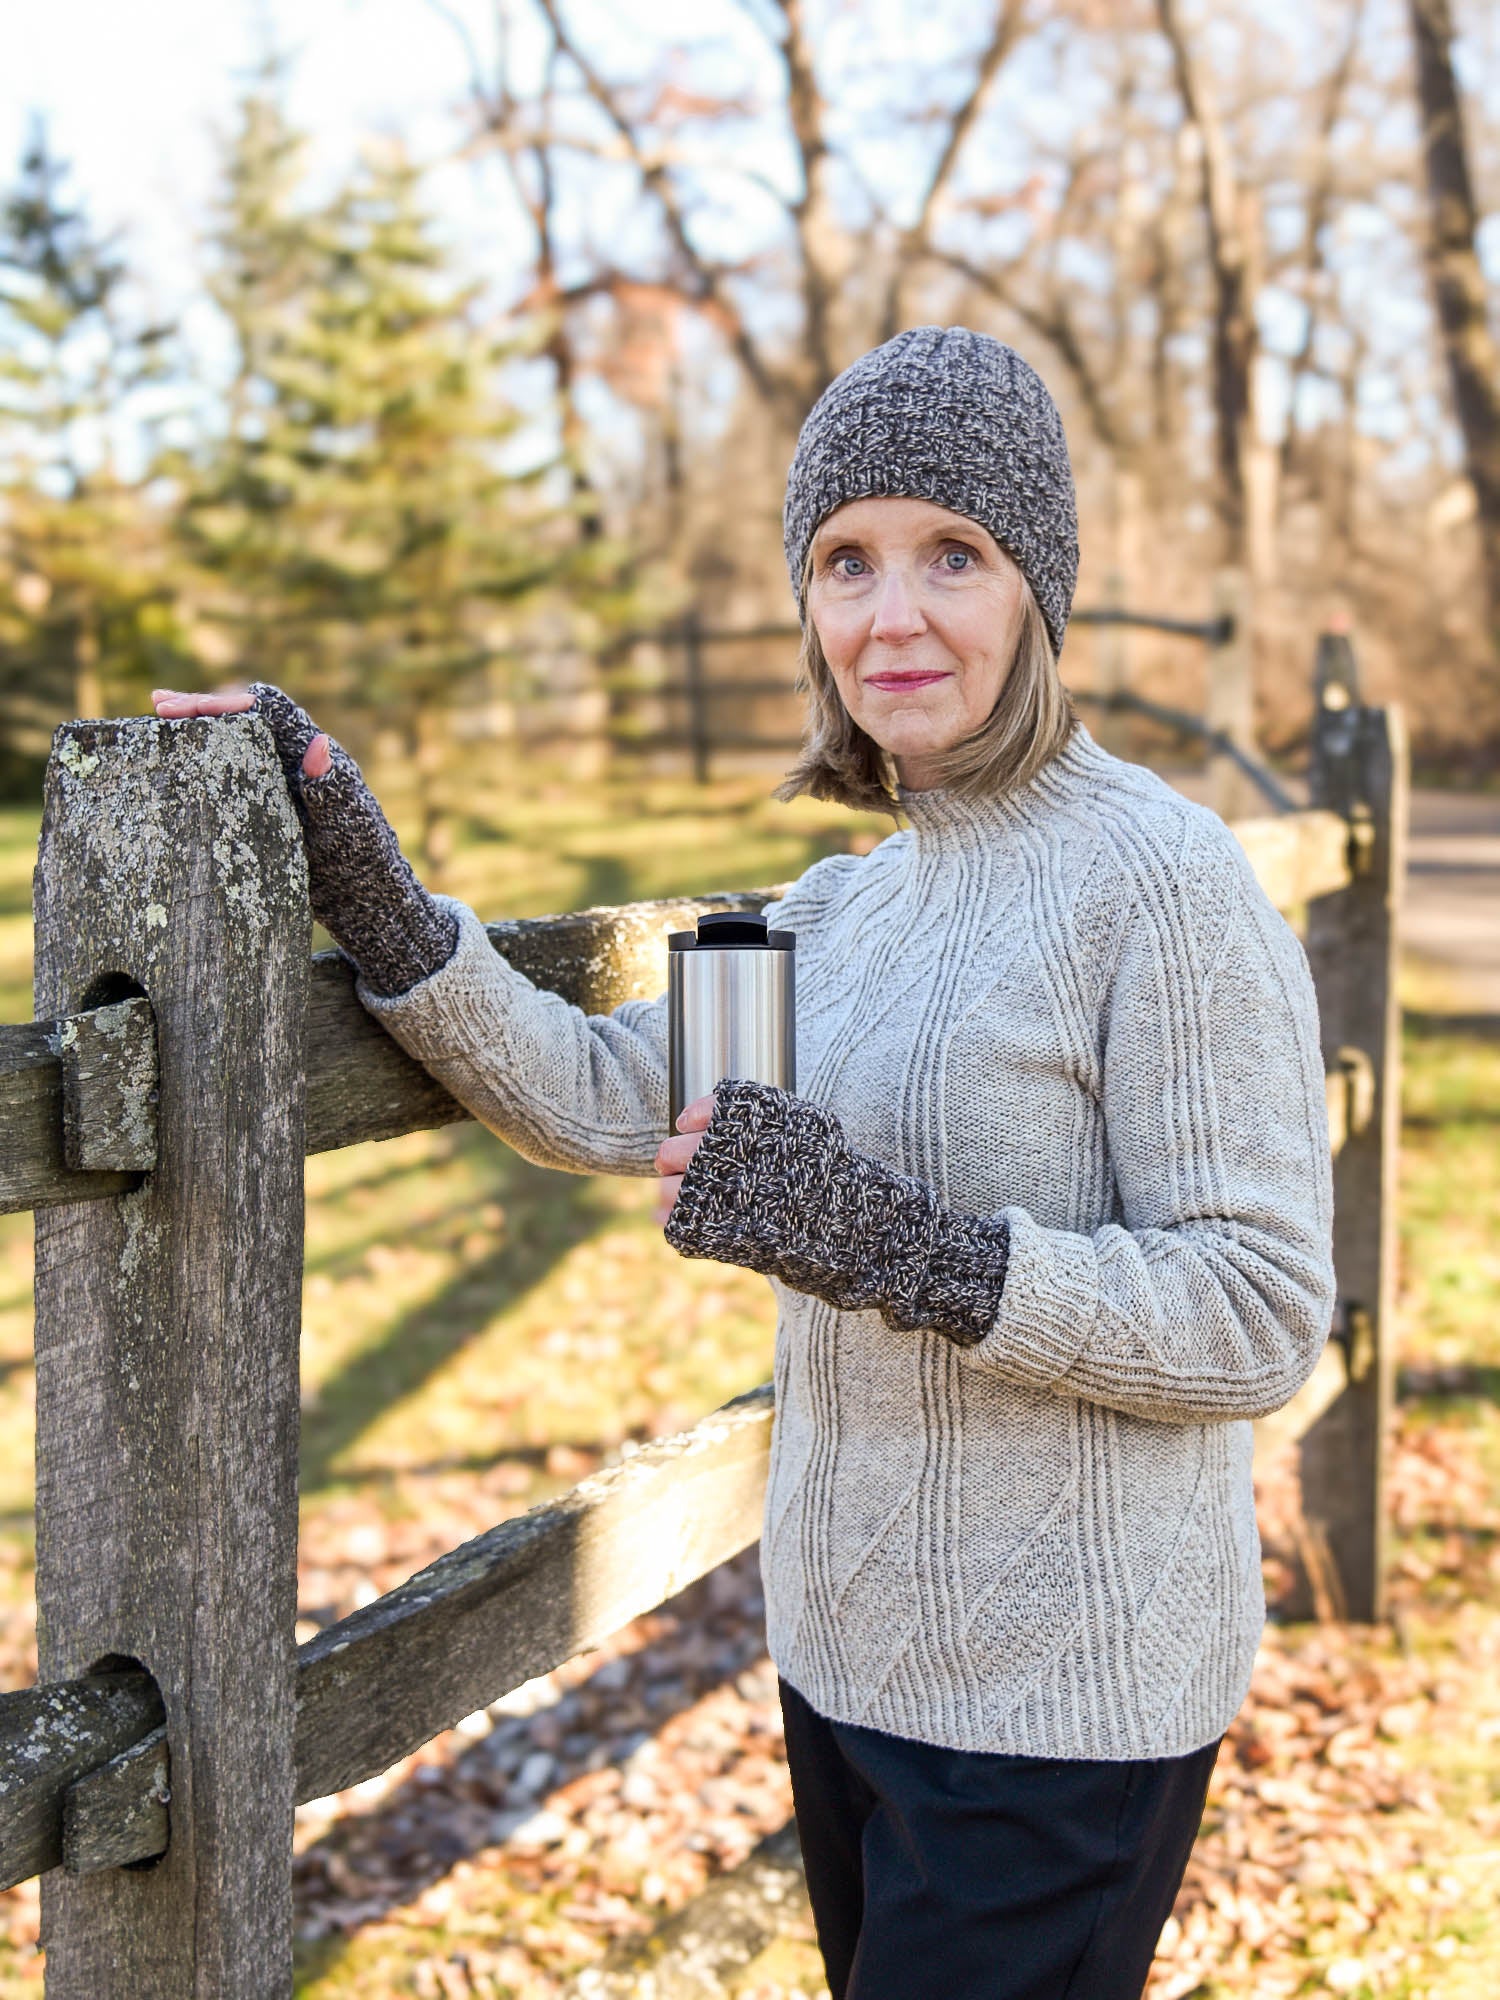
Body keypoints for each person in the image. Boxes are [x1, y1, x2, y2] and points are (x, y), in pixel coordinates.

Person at [153, 325, 1336, 2000]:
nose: (890, 613)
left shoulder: (1163, 880)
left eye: (954, 555)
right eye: (844, 561)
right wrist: (382, 896)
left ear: (1039, 592)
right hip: (848, 1666)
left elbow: (1260, 1309)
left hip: (1067, 1702)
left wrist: (901, 1249)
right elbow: (603, 1096)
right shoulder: (838, 905)